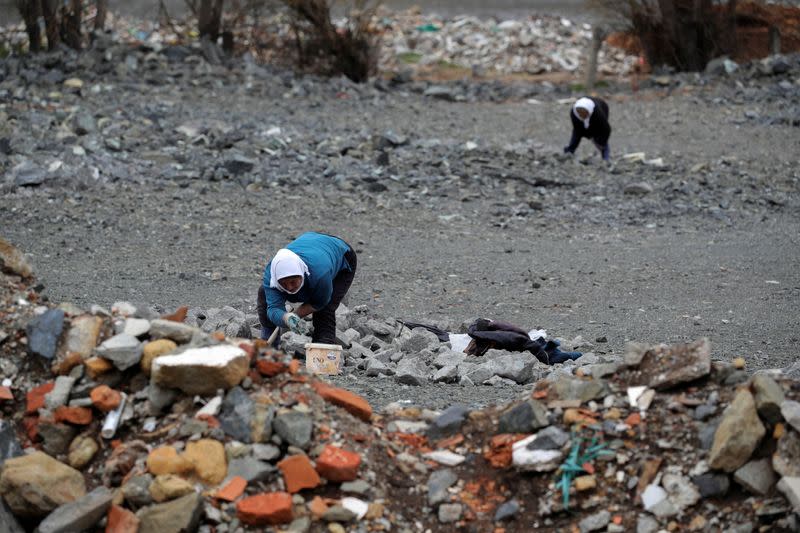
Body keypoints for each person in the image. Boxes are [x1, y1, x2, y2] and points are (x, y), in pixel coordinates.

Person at [257, 232, 356, 346]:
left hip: (342, 255)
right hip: (311, 245)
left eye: (293, 281)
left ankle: (322, 352)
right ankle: (269, 348)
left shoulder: (320, 275)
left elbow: (319, 303)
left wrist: (297, 315)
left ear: (301, 274)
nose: (289, 287)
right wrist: (287, 318)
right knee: (264, 294)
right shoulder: (271, 276)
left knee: (325, 310)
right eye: (283, 283)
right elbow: (274, 308)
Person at [563, 96, 611, 161]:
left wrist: (602, 142)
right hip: (582, 123)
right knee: (577, 135)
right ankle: (569, 151)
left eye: (584, 114)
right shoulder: (574, 113)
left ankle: (606, 157)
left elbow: (606, 129)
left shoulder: (598, 113)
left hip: (601, 111)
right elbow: (577, 129)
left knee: (600, 138)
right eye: (580, 114)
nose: (582, 116)